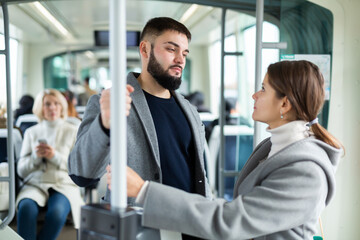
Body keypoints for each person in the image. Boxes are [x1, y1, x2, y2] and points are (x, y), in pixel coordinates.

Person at [119, 60, 343, 239]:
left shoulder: (305, 171)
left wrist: (144, 191)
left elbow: (231, 220)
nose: (255, 95)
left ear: (284, 104)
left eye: (264, 89)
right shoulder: (273, 147)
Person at [68, 17, 211, 238]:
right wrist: (105, 125)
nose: (179, 59)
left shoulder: (190, 111)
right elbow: (81, 174)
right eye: (171, 49)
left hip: (191, 224)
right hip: (141, 227)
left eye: (184, 53)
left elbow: (199, 174)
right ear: (145, 49)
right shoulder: (110, 102)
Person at [16, 89, 83, 240]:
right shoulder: (31, 133)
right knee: (25, 209)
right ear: (40, 108)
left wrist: (54, 157)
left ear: (62, 107)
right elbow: (21, 170)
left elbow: (79, 168)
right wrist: (35, 157)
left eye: (56, 103)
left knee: (57, 213)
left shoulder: (73, 131)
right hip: (35, 184)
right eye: (47, 104)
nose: (52, 108)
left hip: (64, 184)